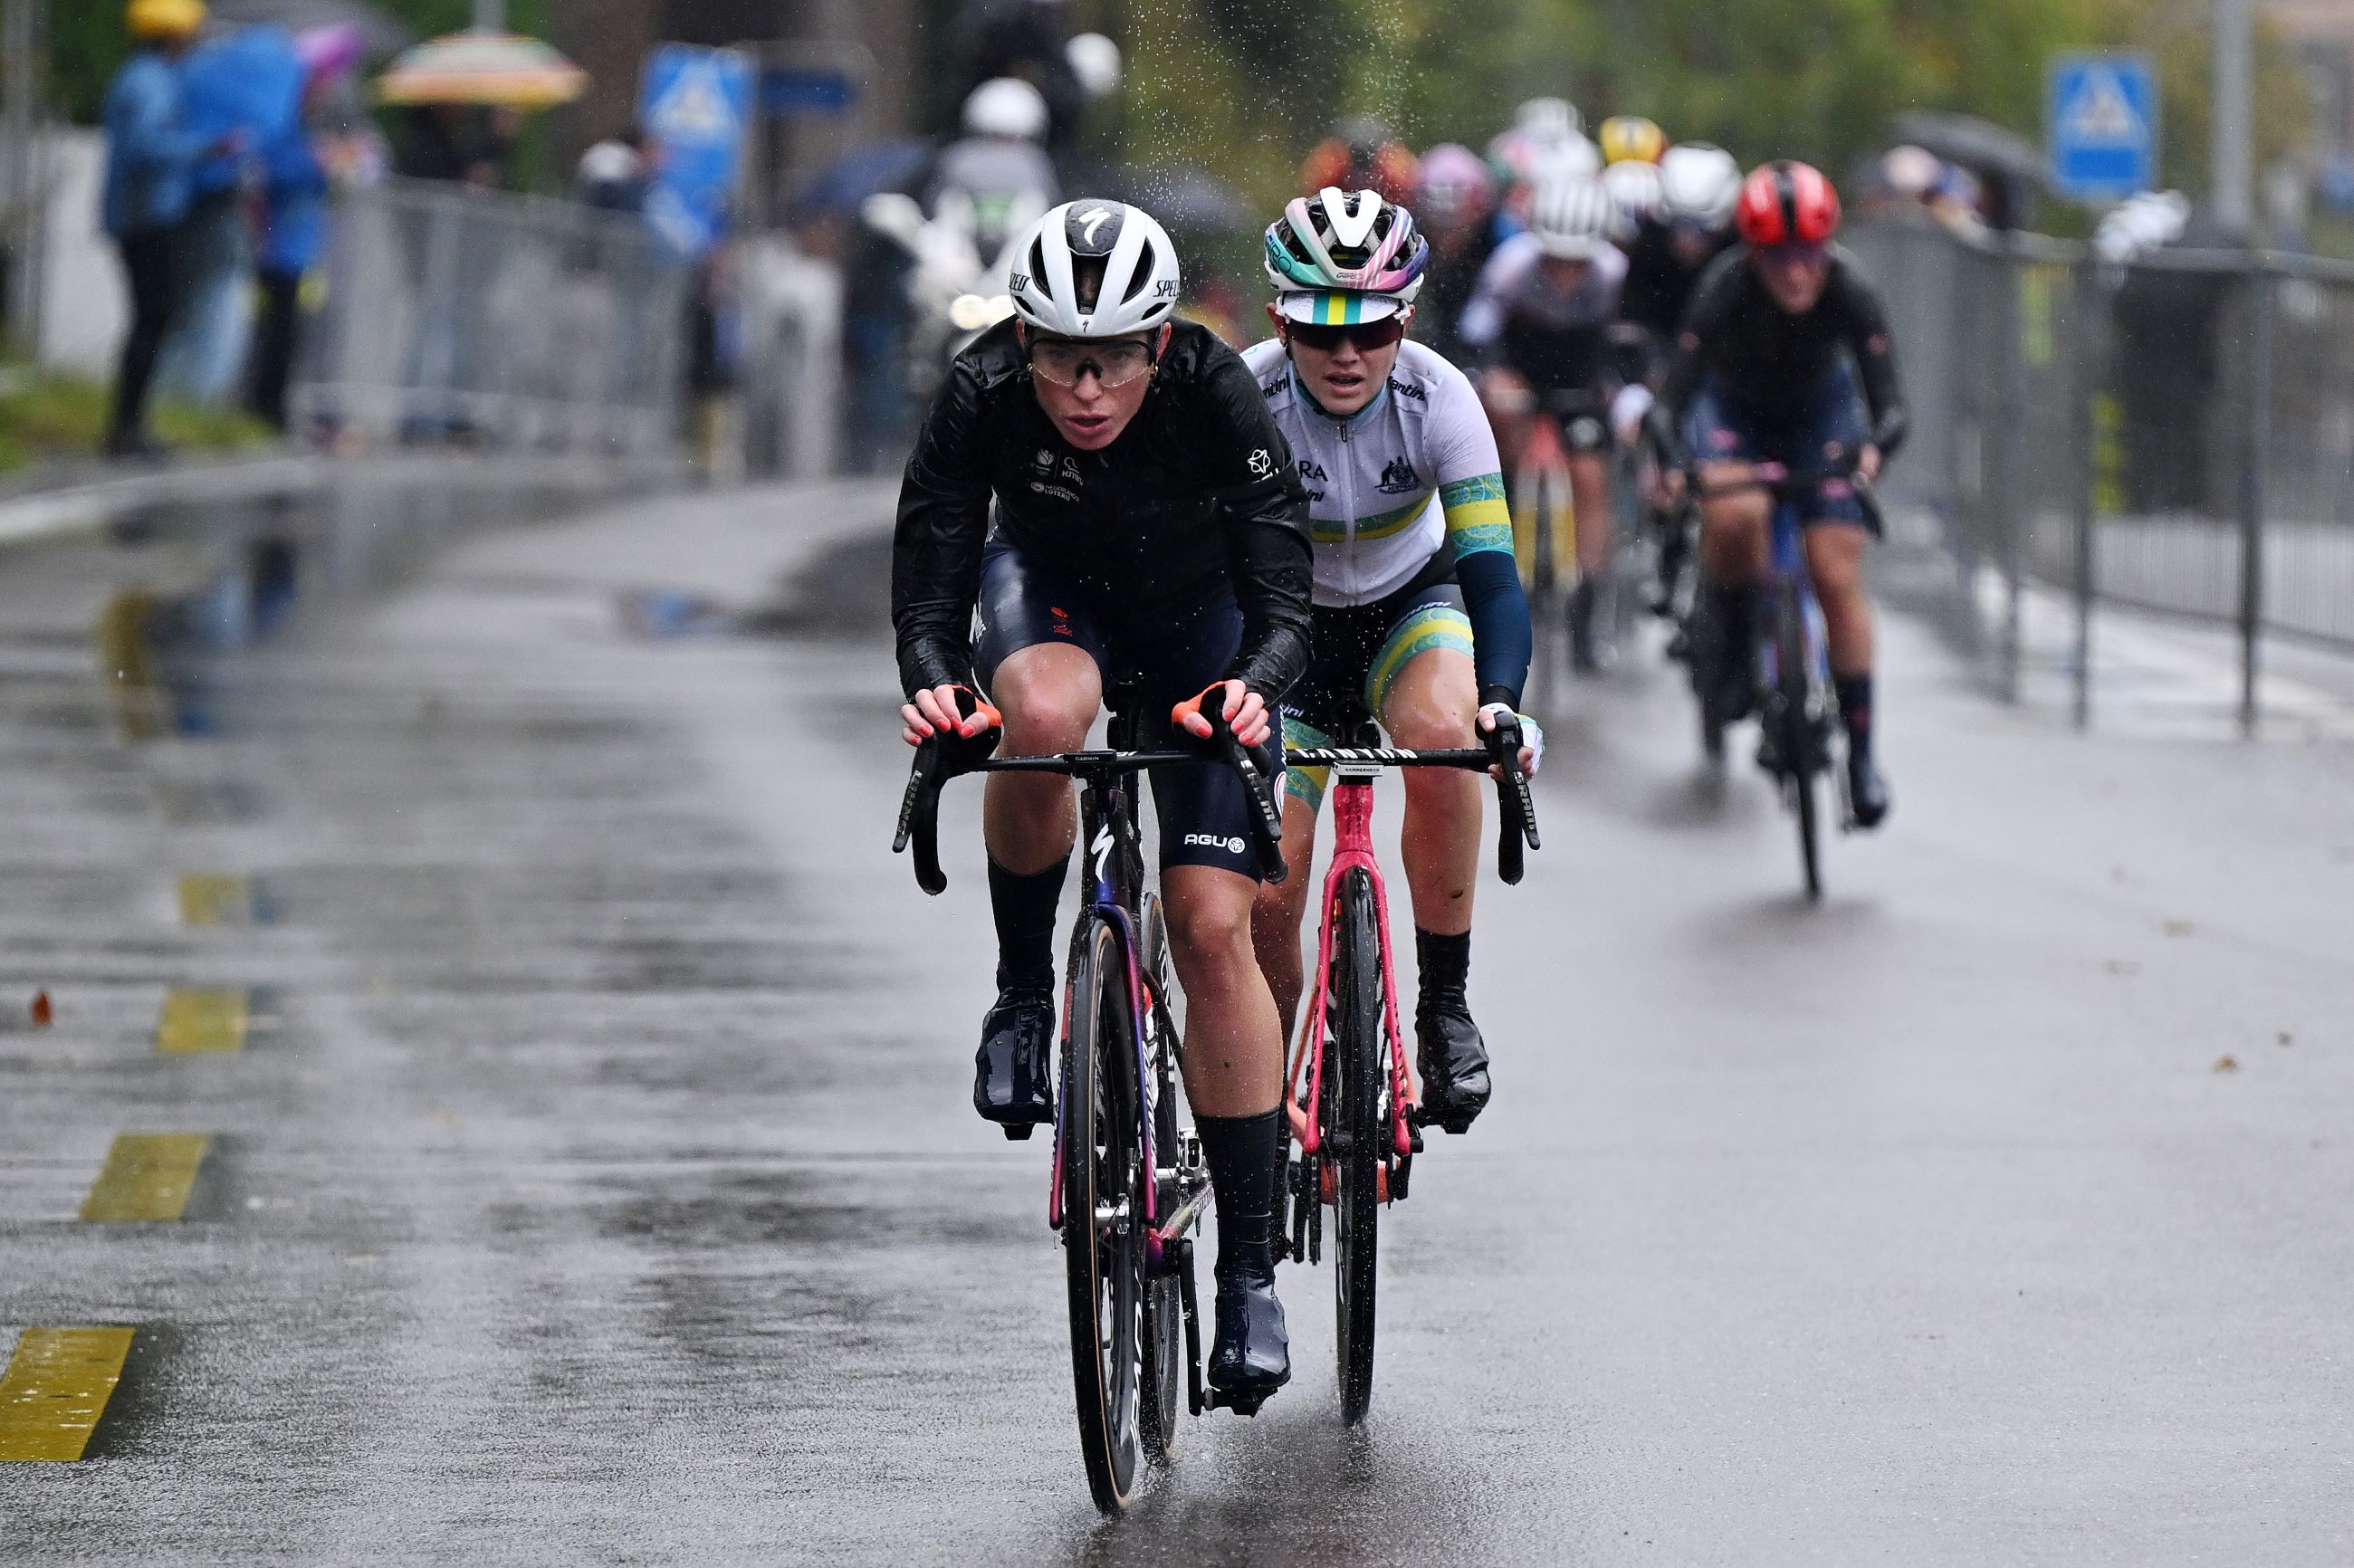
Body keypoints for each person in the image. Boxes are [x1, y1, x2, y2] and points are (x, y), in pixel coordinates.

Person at [892, 199, 1312, 1401]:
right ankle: (1025, 998)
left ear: (1161, 344)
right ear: (1020, 344)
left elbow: (1285, 586)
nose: (1085, 388)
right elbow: (930, 576)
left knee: (1214, 926)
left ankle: (1249, 1275)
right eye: (1060, 358)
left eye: (1113, 357)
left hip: (1205, 628)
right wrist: (937, 692)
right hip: (1056, 597)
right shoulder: (980, 390)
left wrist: (1257, 691)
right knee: (1034, 718)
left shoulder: (1216, 389)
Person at [1241, 187, 1538, 1135]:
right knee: (1271, 880)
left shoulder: (1440, 395)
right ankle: (1252, 1078)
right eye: (1316, 329)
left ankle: (1442, 1008)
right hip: (1282, 631)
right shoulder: (1242, 398)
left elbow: (1492, 575)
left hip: (1408, 610)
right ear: (1276, 317)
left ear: (1402, 320)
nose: (1343, 354)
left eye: (1367, 331)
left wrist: (1502, 700)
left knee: (1449, 736)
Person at [1652, 161, 1909, 827]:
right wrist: (1678, 464)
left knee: (1835, 569)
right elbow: (1671, 401)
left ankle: (1861, 757)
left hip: (1819, 414)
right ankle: (1733, 642)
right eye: (1778, 258)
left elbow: (1891, 405)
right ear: (1753, 253)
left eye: (1809, 256)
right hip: (1734, 409)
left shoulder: (1851, 287)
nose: (1796, 273)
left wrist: (1874, 448)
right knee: (1737, 515)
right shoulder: (1723, 287)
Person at [1459, 173, 1628, 669]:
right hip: (1522, 361)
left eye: (1577, 261)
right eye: (1556, 259)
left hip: (1581, 370)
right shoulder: (1510, 266)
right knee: (1504, 422)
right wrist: (1491, 376)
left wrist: (1620, 391)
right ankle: (1507, 513)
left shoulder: (1615, 273)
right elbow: (1477, 330)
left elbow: (1624, 345)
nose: (1565, 273)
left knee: (1590, 478)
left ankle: (1587, 606)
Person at [99, 0, 216, 458]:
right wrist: (203, 148)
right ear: (174, 36)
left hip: (143, 214)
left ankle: (130, 423)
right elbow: (147, 145)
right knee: (152, 318)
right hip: (146, 216)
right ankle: (127, 427)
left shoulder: (144, 76)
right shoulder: (150, 82)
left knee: (152, 318)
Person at [928, 78, 1061, 260]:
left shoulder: (1035, 163)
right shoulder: (959, 158)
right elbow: (939, 207)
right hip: (957, 257)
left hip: (1016, 255)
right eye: (995, 137)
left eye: (1010, 139)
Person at [1411, 143, 1499, 366]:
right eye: (1438, 227)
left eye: (1458, 227)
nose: (1447, 240)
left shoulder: (1502, 236)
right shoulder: (1407, 238)